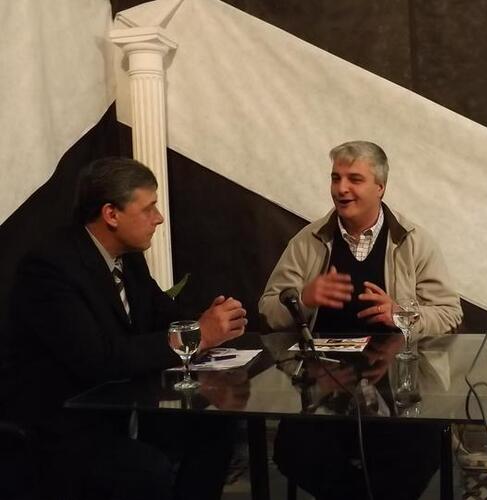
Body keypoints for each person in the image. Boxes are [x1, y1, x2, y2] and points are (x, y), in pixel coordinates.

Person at [2, 157, 247, 500]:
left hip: (121, 409)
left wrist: (213, 321)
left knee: (214, 431)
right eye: (148, 209)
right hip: (63, 425)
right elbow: (98, 358)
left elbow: (165, 316)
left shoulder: (128, 258)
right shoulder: (50, 267)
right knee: (145, 470)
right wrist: (198, 335)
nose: (158, 218)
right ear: (111, 214)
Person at [259, 140, 462, 500]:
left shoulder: (414, 241)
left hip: (397, 387)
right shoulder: (308, 241)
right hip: (323, 388)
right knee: (295, 451)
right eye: (336, 178)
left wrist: (400, 314)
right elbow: (269, 310)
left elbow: (449, 312)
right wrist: (304, 299)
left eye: (354, 179)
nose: (341, 188)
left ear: (380, 187)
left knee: (419, 450)